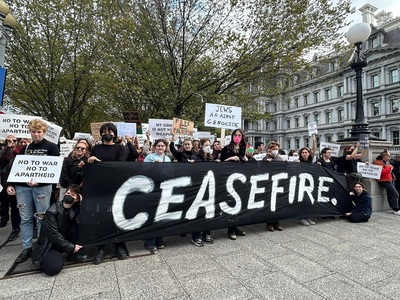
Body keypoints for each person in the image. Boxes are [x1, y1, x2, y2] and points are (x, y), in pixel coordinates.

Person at [6, 119, 60, 263]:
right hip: (23, 187)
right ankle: (27, 247)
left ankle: (42, 244)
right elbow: (17, 167)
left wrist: (40, 181)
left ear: (44, 132)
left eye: (39, 132)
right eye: (33, 132)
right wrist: (10, 184)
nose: (36, 134)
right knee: (26, 218)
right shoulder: (26, 147)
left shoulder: (52, 147)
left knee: (41, 217)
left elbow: (54, 170)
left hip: (41, 187)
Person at [88, 122, 129, 264]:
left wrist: (99, 162)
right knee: (101, 217)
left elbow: (119, 166)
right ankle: (101, 247)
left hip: (116, 187)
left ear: (114, 133)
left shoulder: (121, 148)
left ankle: (119, 245)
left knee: (117, 216)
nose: (107, 133)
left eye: (110, 131)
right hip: (100, 187)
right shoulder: (96, 148)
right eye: (104, 131)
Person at [31, 184, 86, 275]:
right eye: (67, 193)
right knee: (53, 268)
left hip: (65, 240)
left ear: (77, 199)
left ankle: (72, 255)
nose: (68, 195)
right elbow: (54, 235)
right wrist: (71, 247)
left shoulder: (76, 208)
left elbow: (81, 221)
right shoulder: (52, 211)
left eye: (72, 195)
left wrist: (81, 203)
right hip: (51, 245)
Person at [143, 139, 171, 251]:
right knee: (151, 214)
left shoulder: (168, 159)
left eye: (162, 146)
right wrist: (153, 166)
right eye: (158, 146)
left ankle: (159, 239)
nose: (160, 148)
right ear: (155, 147)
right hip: (151, 188)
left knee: (161, 214)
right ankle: (149, 241)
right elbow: (143, 170)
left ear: (165, 147)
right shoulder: (149, 157)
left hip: (163, 188)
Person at [220, 129, 248, 240]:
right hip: (229, 179)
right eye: (235, 135)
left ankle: (235, 226)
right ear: (232, 136)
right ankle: (230, 229)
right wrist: (230, 158)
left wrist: (246, 159)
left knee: (239, 203)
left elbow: (244, 161)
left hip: (239, 178)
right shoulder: (226, 148)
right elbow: (221, 163)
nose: (237, 137)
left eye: (239, 135)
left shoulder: (243, 148)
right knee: (231, 203)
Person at [263, 142, 284, 231]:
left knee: (278, 204)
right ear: (270, 150)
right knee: (269, 204)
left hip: (278, 184)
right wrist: (265, 163)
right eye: (273, 149)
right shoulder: (266, 158)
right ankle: (269, 223)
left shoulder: (280, 158)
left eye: (276, 149)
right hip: (269, 184)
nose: (275, 151)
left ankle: (277, 223)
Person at [373, 150, 400, 215]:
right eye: (389, 156)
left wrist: (390, 167)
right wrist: (389, 167)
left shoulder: (386, 162)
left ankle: (393, 206)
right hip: (384, 180)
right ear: (384, 157)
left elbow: (391, 167)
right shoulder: (378, 162)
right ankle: (395, 209)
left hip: (390, 179)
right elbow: (383, 172)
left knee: (391, 194)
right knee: (395, 194)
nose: (390, 157)